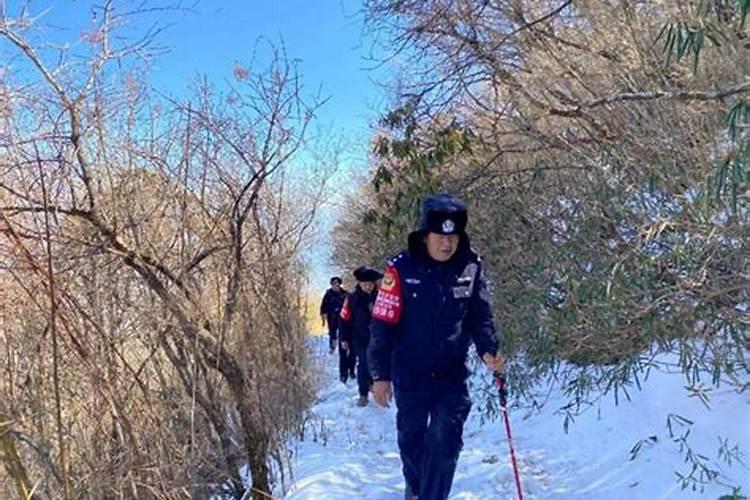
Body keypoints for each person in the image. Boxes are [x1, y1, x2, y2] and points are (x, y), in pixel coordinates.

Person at [368, 193, 504, 500]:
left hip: (450, 373)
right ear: (425, 236)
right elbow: (382, 324)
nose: (447, 244)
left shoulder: (470, 266)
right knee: (412, 445)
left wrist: (488, 350)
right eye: (440, 237)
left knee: (445, 442)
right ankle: (417, 490)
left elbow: (480, 315)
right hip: (409, 372)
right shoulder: (400, 269)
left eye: (453, 236)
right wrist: (380, 374)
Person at [339, 266, 383, 407]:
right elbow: (344, 320)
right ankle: (363, 394)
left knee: (378, 364)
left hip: (379, 338)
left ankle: (374, 385)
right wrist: (344, 339)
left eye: (371, 284)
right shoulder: (351, 299)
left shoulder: (382, 297)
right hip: (359, 338)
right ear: (359, 284)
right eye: (365, 284)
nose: (368, 287)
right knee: (364, 364)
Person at [320, 277, 353, 380]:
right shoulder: (328, 294)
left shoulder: (345, 294)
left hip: (344, 317)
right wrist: (323, 314)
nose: (335, 285)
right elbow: (323, 306)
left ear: (339, 284)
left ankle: (350, 369)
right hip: (332, 316)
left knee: (344, 335)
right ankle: (332, 345)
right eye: (333, 284)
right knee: (332, 332)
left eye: (337, 283)